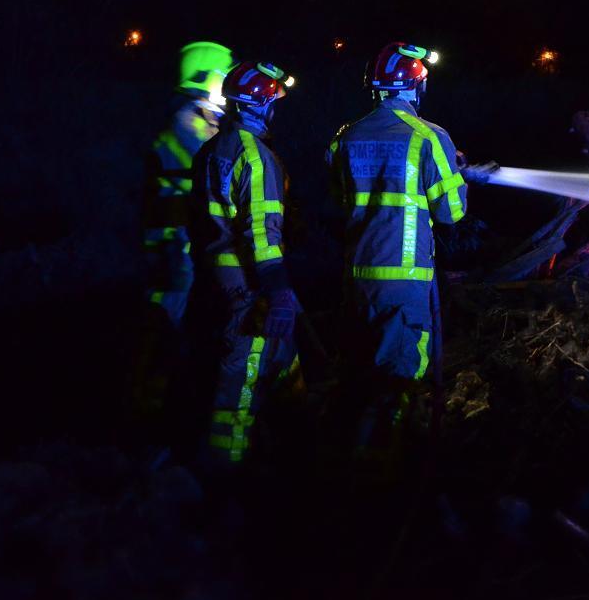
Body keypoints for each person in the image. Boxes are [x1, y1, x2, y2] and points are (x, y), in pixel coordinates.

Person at [325, 43, 484, 453]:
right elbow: (451, 212)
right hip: (405, 279)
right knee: (401, 381)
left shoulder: (345, 137)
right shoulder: (429, 137)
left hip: (357, 278)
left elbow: (341, 200)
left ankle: (343, 465)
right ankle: (387, 473)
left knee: (359, 373)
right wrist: (457, 174)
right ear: (415, 87)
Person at [190, 61, 303, 466]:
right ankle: (226, 473)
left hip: (214, 278)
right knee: (242, 380)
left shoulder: (211, 150)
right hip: (249, 286)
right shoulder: (257, 158)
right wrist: (280, 292)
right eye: (274, 101)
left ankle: (284, 450)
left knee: (282, 365)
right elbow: (262, 238)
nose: (276, 109)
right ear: (260, 104)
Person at [133, 41, 231, 422]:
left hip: (182, 248)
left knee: (176, 329)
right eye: (223, 78)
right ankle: (151, 413)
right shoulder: (189, 126)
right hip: (176, 250)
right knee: (166, 330)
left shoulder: (192, 122)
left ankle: (165, 406)